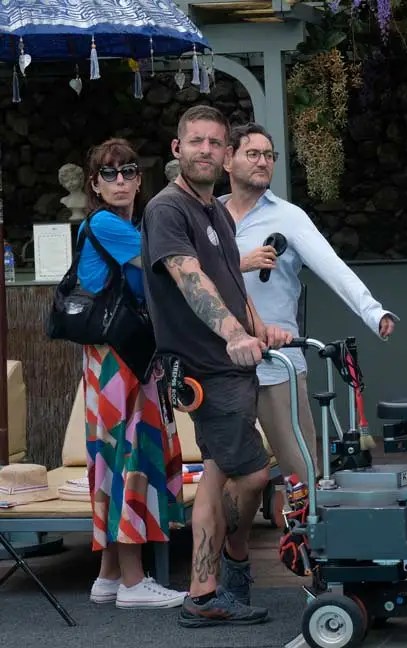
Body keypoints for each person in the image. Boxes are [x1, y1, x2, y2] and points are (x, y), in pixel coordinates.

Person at [141, 105, 293, 627]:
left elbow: (230, 282)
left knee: (217, 473)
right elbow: (190, 280)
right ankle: (228, 566)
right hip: (204, 367)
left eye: (214, 143)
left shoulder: (217, 213)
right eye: (196, 141)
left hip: (231, 366)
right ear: (177, 148)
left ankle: (206, 590)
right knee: (252, 474)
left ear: (226, 154)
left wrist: (258, 329)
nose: (205, 150)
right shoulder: (168, 210)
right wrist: (233, 334)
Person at [222, 122, 398, 483]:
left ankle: (305, 522)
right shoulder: (208, 214)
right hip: (219, 362)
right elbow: (188, 273)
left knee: (301, 474)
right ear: (227, 160)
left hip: (276, 362)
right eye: (252, 154)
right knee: (227, 474)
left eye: (268, 155)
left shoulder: (288, 216)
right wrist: (241, 263)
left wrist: (373, 311)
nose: (263, 162)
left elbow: (333, 268)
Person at [79, 138, 187, 609]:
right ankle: (133, 581)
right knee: (131, 457)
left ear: (140, 180)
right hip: (119, 358)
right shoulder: (107, 224)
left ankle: (108, 576)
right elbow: (165, 269)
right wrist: (235, 262)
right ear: (95, 184)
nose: (120, 181)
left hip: (113, 358)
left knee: (114, 458)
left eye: (128, 172)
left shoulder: (126, 226)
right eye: (109, 174)